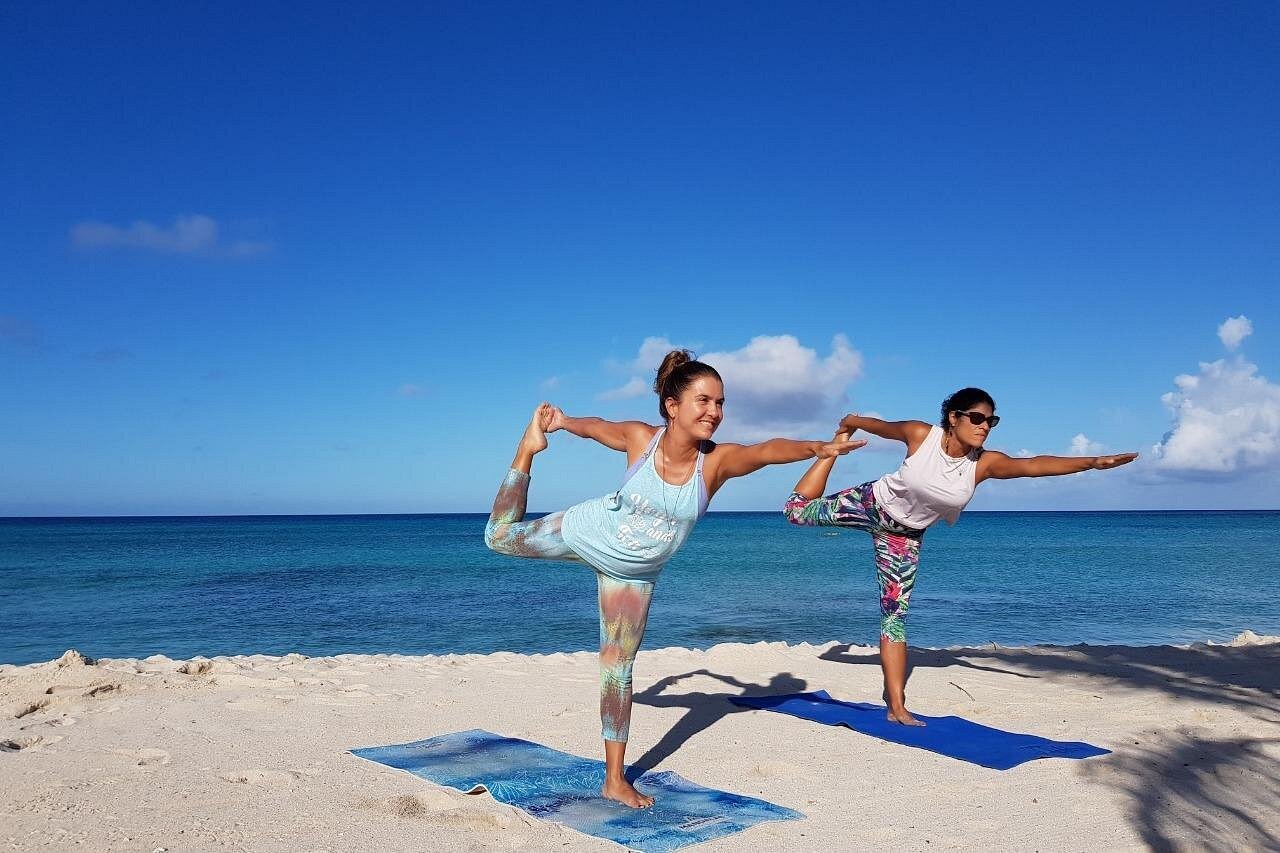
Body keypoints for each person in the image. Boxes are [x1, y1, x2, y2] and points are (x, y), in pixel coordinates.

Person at [484, 350, 863, 808]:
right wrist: (560, 422)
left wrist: (814, 449)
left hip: (634, 577)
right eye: (703, 401)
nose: (715, 413)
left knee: (617, 671)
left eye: (720, 403)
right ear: (672, 405)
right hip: (587, 532)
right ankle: (526, 451)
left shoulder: (716, 463)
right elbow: (597, 426)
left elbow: (763, 452)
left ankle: (614, 779)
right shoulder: (640, 439)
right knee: (499, 537)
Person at [784, 387, 1138, 726]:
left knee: (894, 619)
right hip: (871, 503)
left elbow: (1034, 465)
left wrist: (1092, 462)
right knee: (796, 513)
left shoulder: (982, 465)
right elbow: (876, 426)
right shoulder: (920, 435)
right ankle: (830, 453)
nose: (985, 426)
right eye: (977, 418)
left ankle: (895, 706)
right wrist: (849, 424)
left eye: (991, 421)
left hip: (903, 540)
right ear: (953, 417)